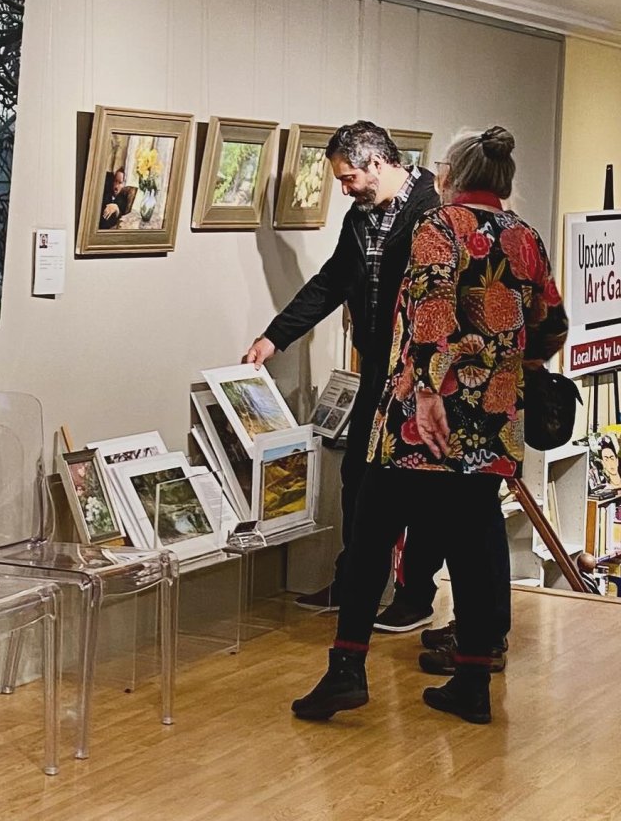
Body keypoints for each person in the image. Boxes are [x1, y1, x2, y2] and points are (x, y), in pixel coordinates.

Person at [291, 125, 569, 725]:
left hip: (419, 421)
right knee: (471, 548)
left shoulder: (437, 228)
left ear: (452, 177)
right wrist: (504, 367)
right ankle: (471, 682)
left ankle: (346, 671)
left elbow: (429, 315)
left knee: (369, 540)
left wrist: (427, 393)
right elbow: (552, 326)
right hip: (490, 424)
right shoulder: (525, 236)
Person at [244, 120, 440, 626]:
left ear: (377, 163)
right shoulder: (360, 217)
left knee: (418, 486)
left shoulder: (432, 209)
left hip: (422, 376)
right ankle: (355, 583)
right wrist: (274, 336)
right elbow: (332, 282)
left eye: (349, 178)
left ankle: (414, 597)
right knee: (360, 476)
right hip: (375, 368)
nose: (345, 188)